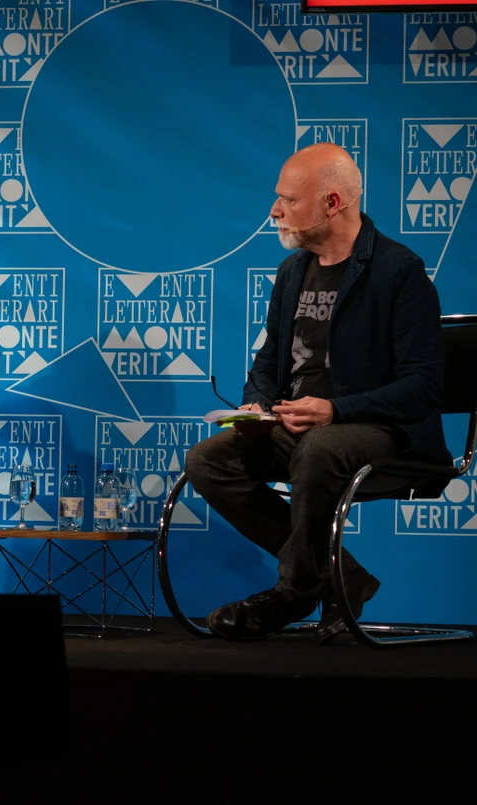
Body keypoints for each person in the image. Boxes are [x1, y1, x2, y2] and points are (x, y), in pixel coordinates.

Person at [185, 143, 450, 643]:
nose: (275, 210)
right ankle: (340, 575)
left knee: (320, 447)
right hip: (300, 428)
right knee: (208, 460)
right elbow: (266, 363)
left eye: (288, 199)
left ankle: (294, 591)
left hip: (379, 430)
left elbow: (422, 388)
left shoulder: (400, 273)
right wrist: (258, 406)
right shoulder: (292, 273)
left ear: (332, 203)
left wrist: (336, 409)